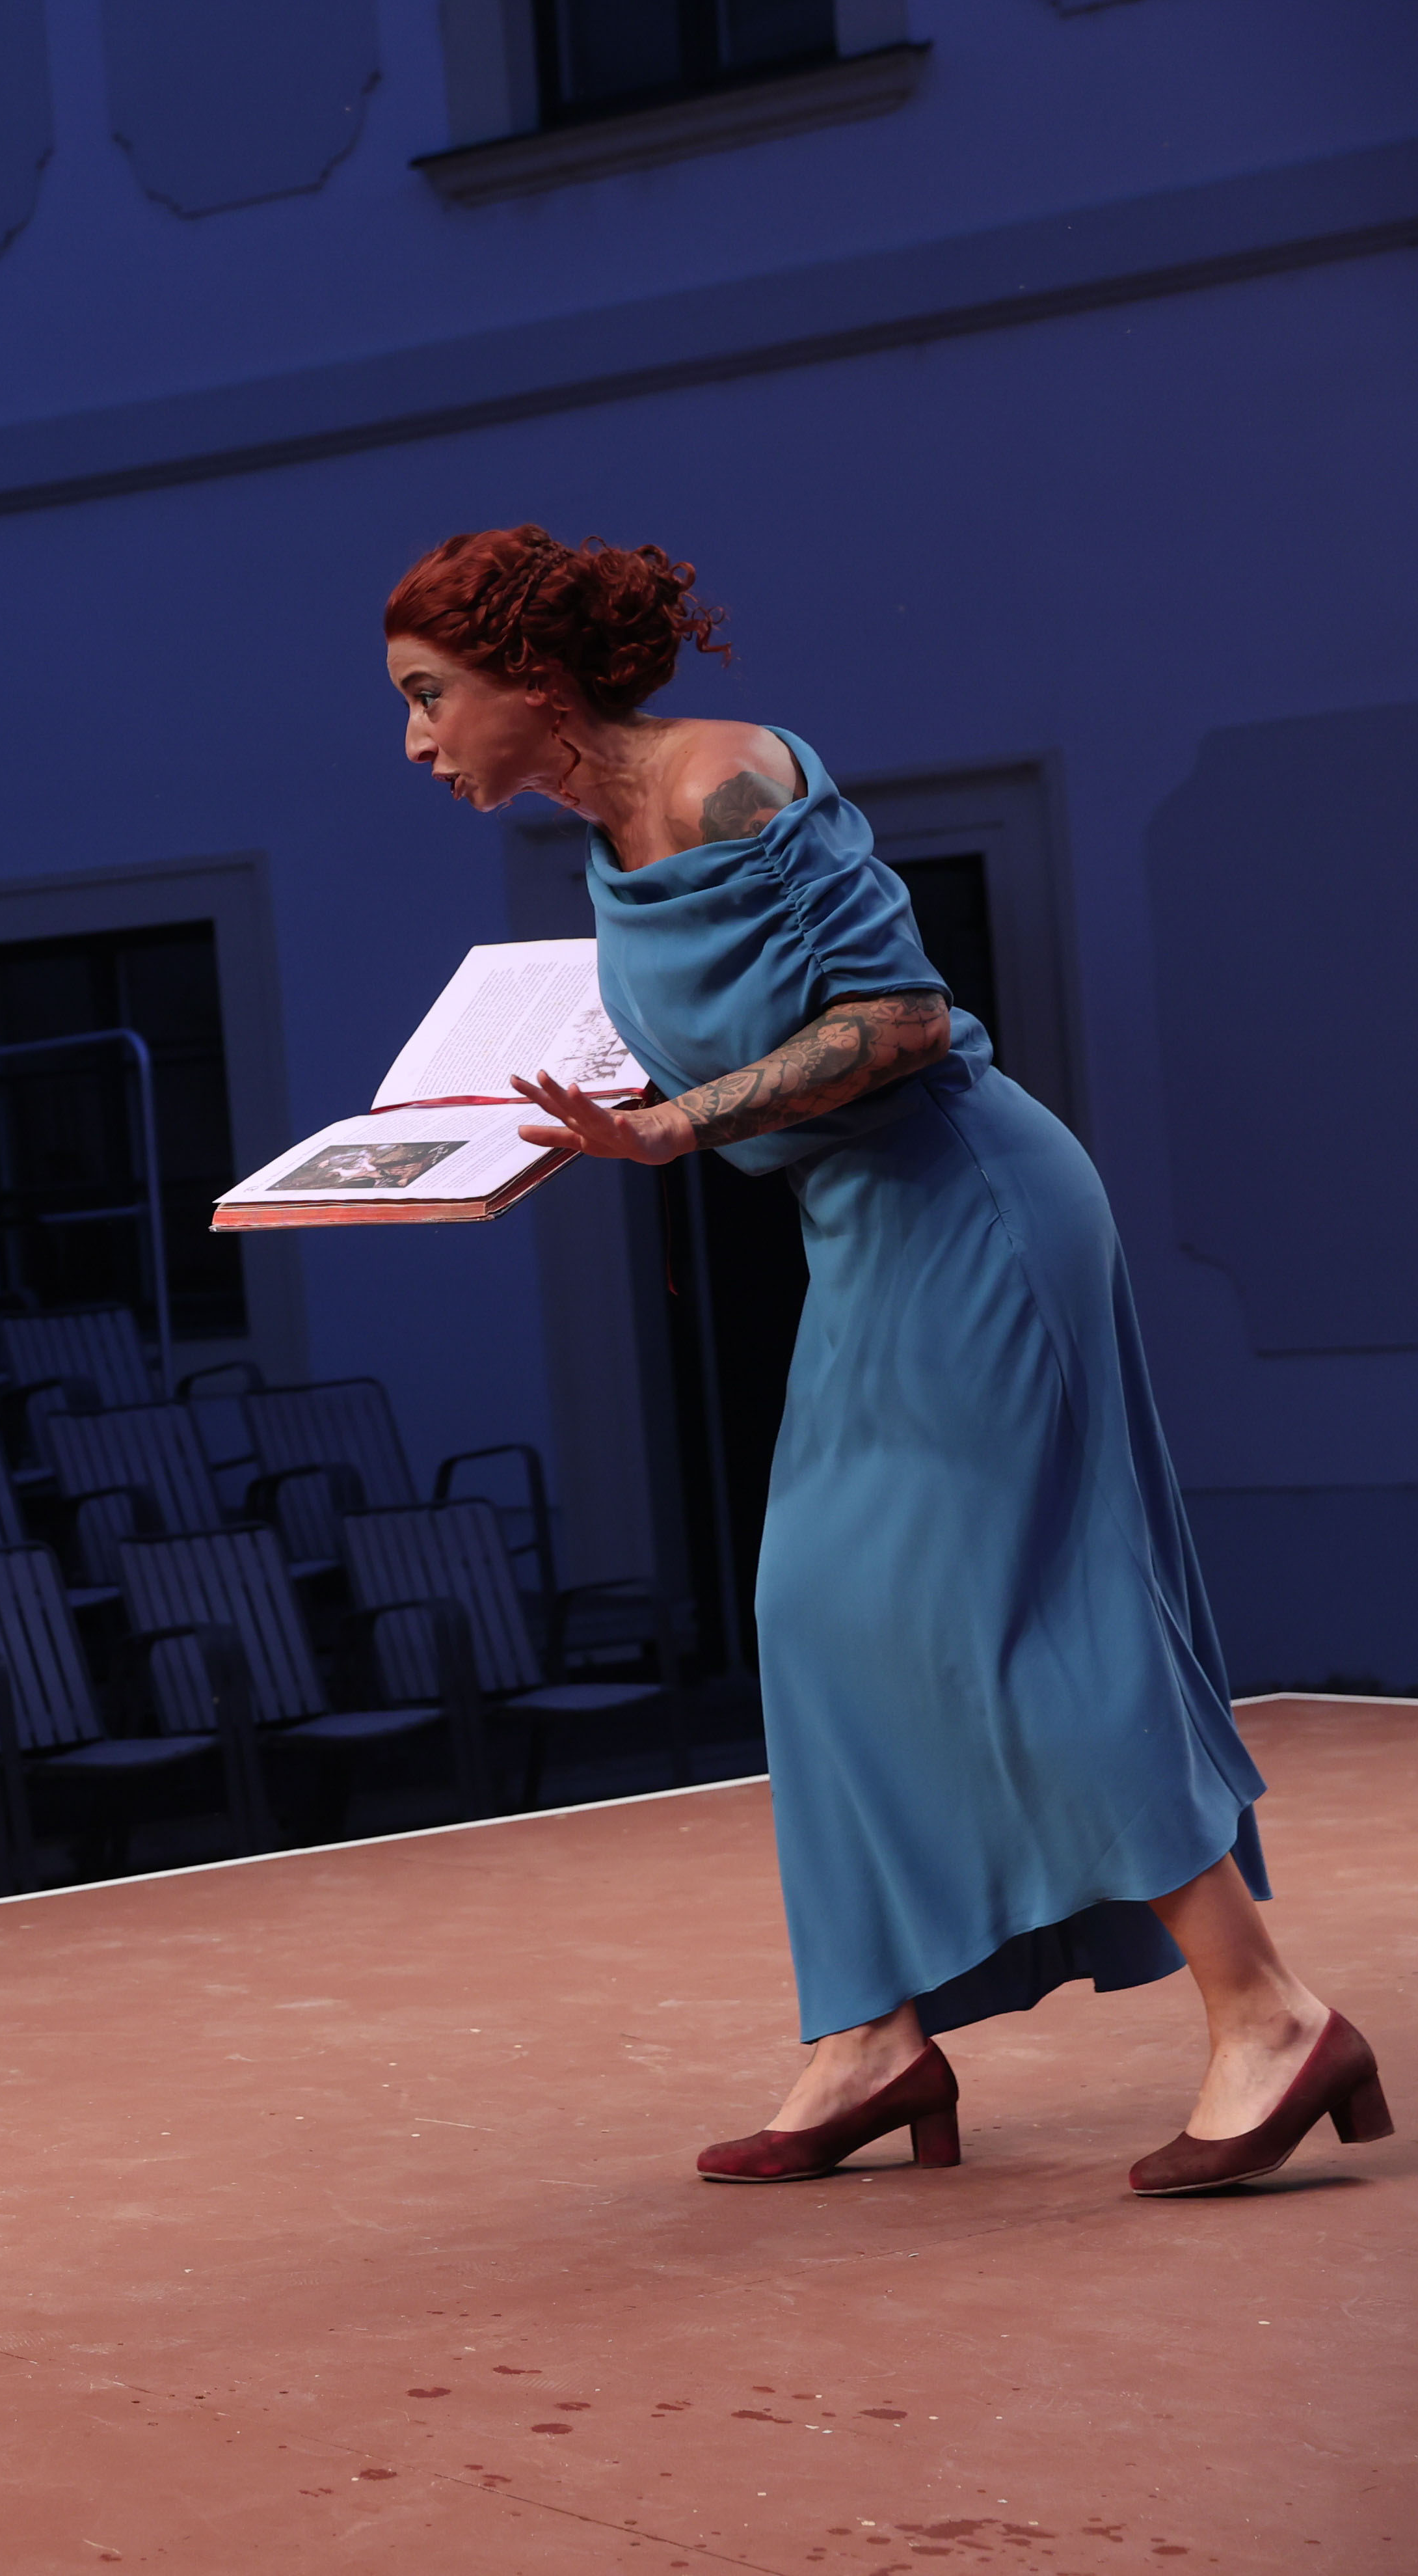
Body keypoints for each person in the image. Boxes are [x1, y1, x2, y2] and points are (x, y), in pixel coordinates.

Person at [380, 528, 1389, 2195]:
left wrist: (675, 1126)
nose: (418, 740)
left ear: (533, 680)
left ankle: (1271, 2013)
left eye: (431, 696)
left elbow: (904, 1019)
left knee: (1033, 1609)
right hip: (860, 1231)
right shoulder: (608, 843)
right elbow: (722, 1027)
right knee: (814, 1606)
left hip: (974, 1203)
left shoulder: (725, 779)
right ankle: (872, 2034)